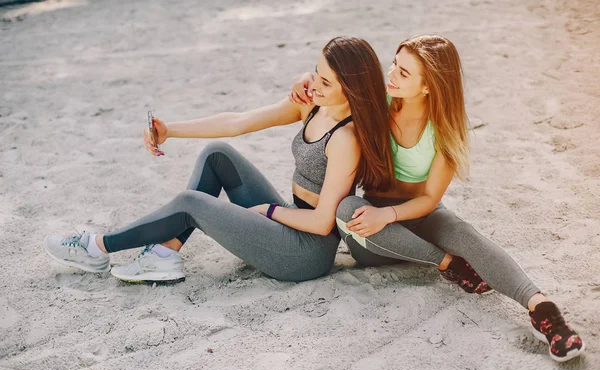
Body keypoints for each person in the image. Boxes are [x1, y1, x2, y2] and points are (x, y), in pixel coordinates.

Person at [289, 34, 585, 362]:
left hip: (419, 214)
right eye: (394, 64)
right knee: (347, 209)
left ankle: (545, 312)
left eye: (403, 73)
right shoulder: (377, 103)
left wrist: (391, 214)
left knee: (465, 234)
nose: (390, 75)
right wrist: (306, 80)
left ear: (428, 86)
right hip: (374, 233)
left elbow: (429, 199)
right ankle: (449, 264)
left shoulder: (444, 130)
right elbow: (342, 80)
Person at [43, 36, 393, 285]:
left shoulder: (346, 140)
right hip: (290, 219)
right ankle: (165, 254)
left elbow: (320, 223)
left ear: (352, 89)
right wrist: (170, 130)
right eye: (315, 72)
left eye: (325, 82)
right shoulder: (312, 104)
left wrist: (266, 212)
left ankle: (96, 247)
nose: (313, 84)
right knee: (217, 155)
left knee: (190, 202)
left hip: (305, 252)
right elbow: (237, 122)